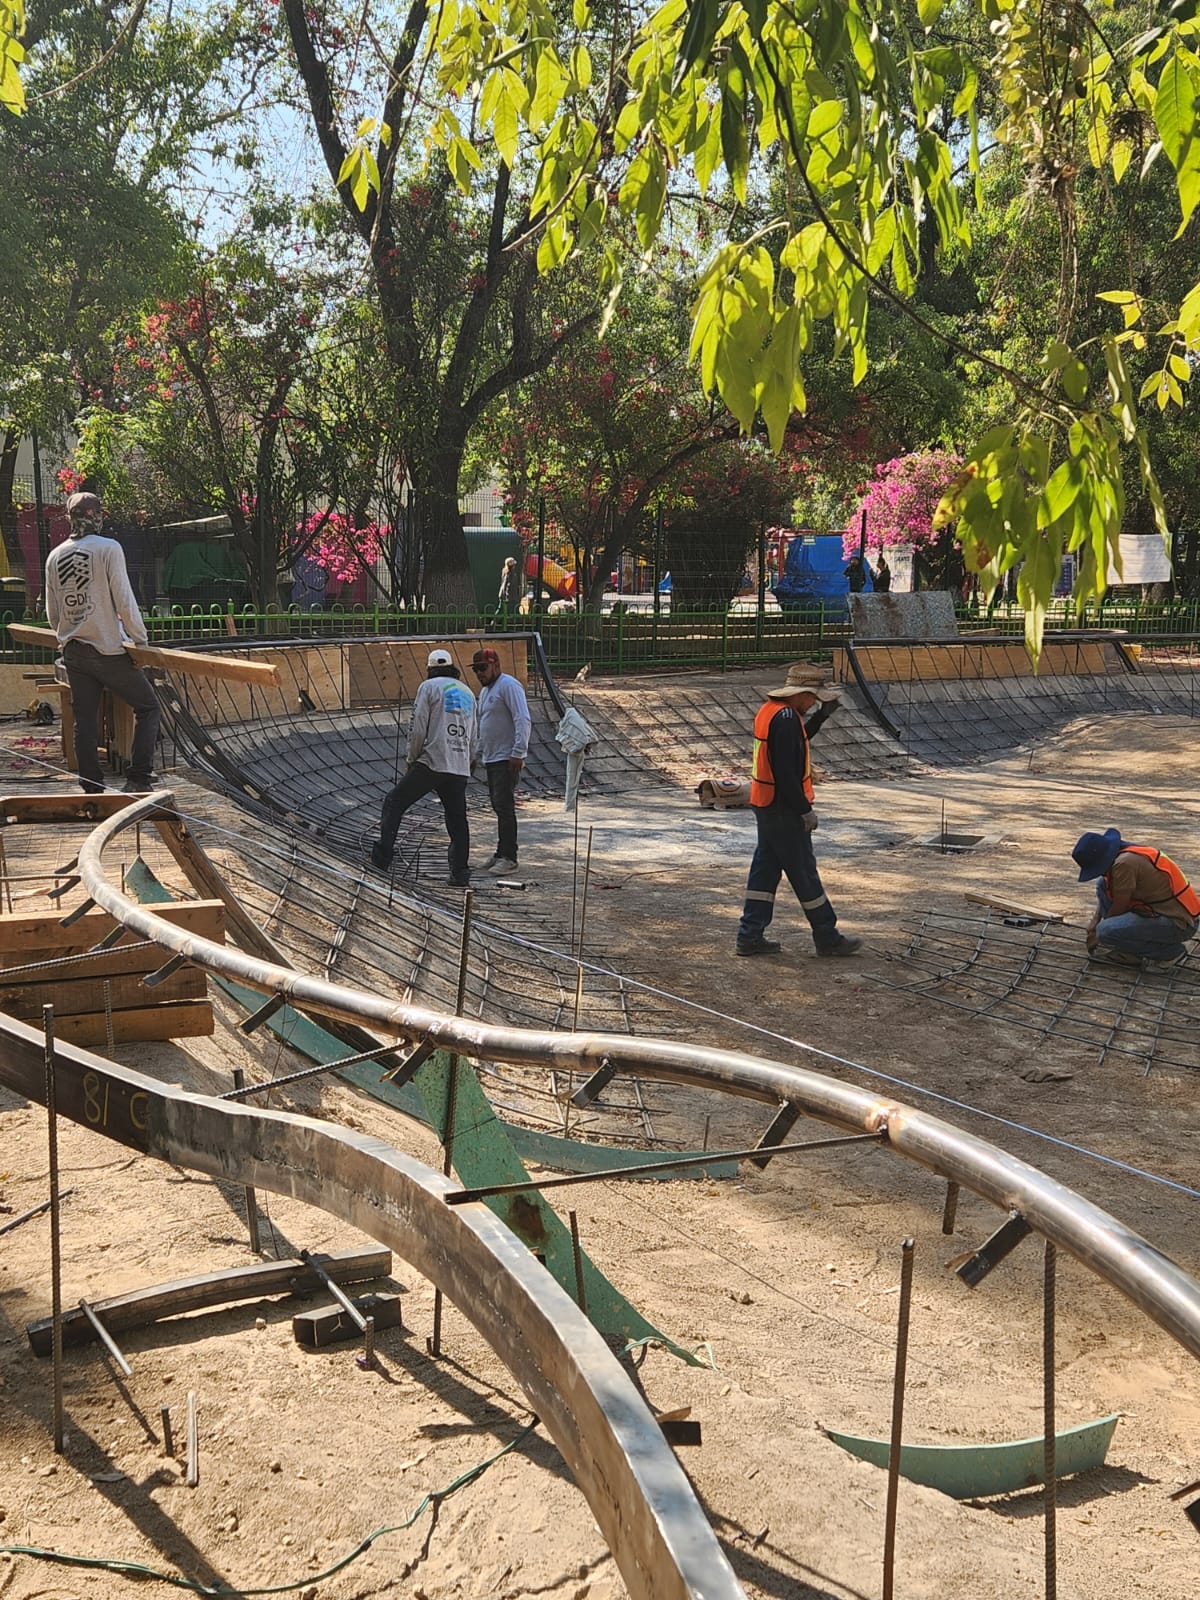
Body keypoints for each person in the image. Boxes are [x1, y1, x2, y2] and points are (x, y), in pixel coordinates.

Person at [736, 663, 861, 958]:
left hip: (766, 804)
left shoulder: (773, 712)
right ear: (802, 694)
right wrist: (804, 810)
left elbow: (794, 746)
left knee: (764, 873)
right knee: (803, 872)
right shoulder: (787, 718)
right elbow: (786, 771)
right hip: (783, 809)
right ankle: (827, 937)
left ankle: (749, 935)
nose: (814, 702)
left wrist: (820, 718)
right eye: (814, 698)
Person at [45, 491, 160, 794]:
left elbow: (52, 614)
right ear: (97, 516)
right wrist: (140, 643)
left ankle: (92, 786)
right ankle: (138, 778)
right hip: (108, 650)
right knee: (148, 707)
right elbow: (124, 600)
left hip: (73, 651)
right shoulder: (109, 548)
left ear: (70, 518)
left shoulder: (54, 557)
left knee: (84, 718)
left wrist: (70, 634)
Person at [369, 648, 477, 886]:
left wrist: (411, 759)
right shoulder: (468, 693)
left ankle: (381, 858)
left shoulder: (428, 688)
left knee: (394, 802)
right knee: (457, 821)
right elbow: (474, 735)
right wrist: (469, 761)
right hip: (459, 765)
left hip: (433, 760)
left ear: (429, 669)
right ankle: (460, 873)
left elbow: (418, 727)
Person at [1073, 828, 1200, 970]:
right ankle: (1128, 951)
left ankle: (1170, 953)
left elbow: (1119, 906)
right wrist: (1095, 921)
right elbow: (1110, 891)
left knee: (1106, 931)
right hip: (1162, 911)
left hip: (1178, 923)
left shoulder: (1124, 864)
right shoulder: (1126, 853)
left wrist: (1099, 934)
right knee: (1103, 884)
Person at [470, 646, 531, 873]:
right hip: (492, 757)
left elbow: (522, 718)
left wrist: (518, 752)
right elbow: (483, 725)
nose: (479, 673)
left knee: (504, 807)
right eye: (476, 669)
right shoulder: (486, 692)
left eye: (483, 668)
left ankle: (509, 856)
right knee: (498, 805)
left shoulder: (509, 685)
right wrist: (477, 753)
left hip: (507, 757)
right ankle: (500, 852)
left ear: (495, 665)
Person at [496, 556, 522, 623]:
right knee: (504, 609)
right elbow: (506, 585)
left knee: (502, 609)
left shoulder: (506, 572)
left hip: (506, 595)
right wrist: (506, 595)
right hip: (508, 596)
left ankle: (496, 622)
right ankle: (496, 622)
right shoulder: (510, 574)